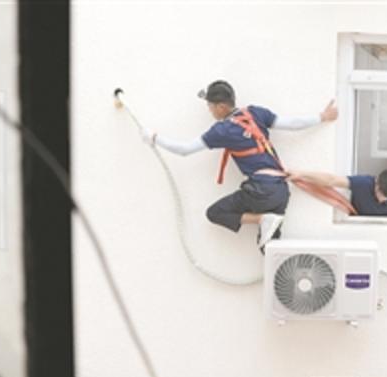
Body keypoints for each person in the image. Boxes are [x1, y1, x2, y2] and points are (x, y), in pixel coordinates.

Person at [141, 80, 338, 251]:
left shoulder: (223, 130)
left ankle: (262, 219)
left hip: (260, 190)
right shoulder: (256, 113)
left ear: (220, 107)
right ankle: (280, 260)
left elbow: (185, 149)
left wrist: (155, 139)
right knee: (271, 252)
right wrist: (322, 116)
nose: (209, 111)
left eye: (210, 106)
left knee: (215, 212)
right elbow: (293, 124)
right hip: (280, 190)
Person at [286, 168, 387, 216]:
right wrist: (301, 174)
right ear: (376, 181)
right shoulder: (364, 183)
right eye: (379, 192)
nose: (381, 199)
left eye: (386, 196)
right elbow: (332, 180)